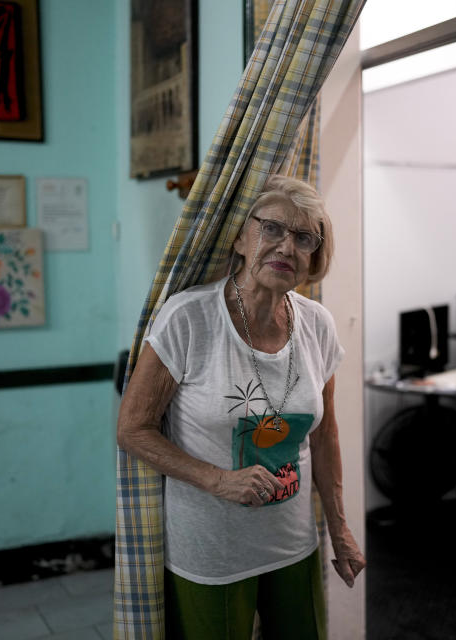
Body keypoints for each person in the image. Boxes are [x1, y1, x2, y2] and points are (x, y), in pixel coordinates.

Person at [117, 175, 365, 639]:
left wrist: (340, 528)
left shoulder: (317, 324)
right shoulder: (188, 317)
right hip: (212, 550)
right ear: (240, 238)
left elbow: (324, 435)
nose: (287, 247)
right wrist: (219, 480)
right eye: (272, 228)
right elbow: (133, 429)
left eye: (305, 238)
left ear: (315, 254)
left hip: (293, 544)